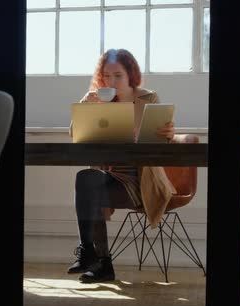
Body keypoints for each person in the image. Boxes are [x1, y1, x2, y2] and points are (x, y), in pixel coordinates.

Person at [68, 49, 176, 283]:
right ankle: (91, 253)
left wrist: (169, 133)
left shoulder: (148, 98)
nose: (111, 81)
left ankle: (98, 261)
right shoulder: (97, 99)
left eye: (118, 75)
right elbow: (75, 134)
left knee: (89, 186)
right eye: (107, 76)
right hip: (110, 176)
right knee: (86, 178)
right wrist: (85, 107)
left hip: (140, 179)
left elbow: (162, 139)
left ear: (131, 74)